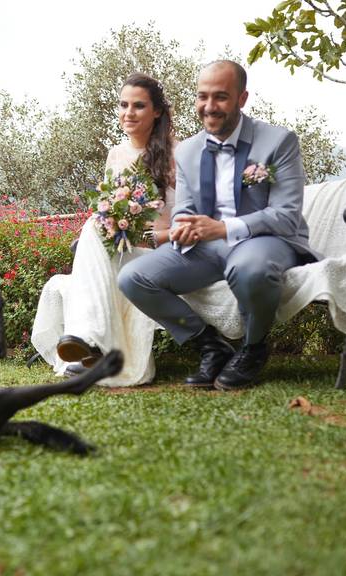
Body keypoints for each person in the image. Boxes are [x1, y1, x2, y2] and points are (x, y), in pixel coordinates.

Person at [118, 61, 321, 390]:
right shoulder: (187, 151)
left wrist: (223, 229)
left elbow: (286, 214)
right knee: (133, 277)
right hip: (206, 248)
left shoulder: (278, 141)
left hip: (265, 239)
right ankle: (209, 345)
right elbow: (184, 208)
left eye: (221, 97)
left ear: (242, 99)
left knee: (250, 269)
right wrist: (184, 226)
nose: (209, 107)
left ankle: (253, 349)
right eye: (203, 97)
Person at [30, 73, 175, 386]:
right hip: (124, 250)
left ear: (157, 111)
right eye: (124, 105)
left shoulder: (179, 155)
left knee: (93, 228)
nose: (128, 113)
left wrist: (151, 235)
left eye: (138, 105)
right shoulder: (116, 155)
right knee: (96, 225)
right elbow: (106, 209)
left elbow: (191, 218)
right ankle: (90, 344)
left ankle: (90, 346)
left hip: (163, 252)